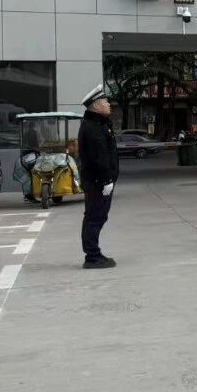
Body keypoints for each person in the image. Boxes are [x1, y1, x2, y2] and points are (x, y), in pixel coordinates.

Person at [77, 84, 119, 269]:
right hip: (97, 182)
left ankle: (93, 253)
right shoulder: (93, 127)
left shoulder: (97, 123)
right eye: (105, 101)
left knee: (95, 217)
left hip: (97, 181)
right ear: (95, 106)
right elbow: (98, 156)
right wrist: (106, 180)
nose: (108, 104)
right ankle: (92, 256)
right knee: (95, 218)